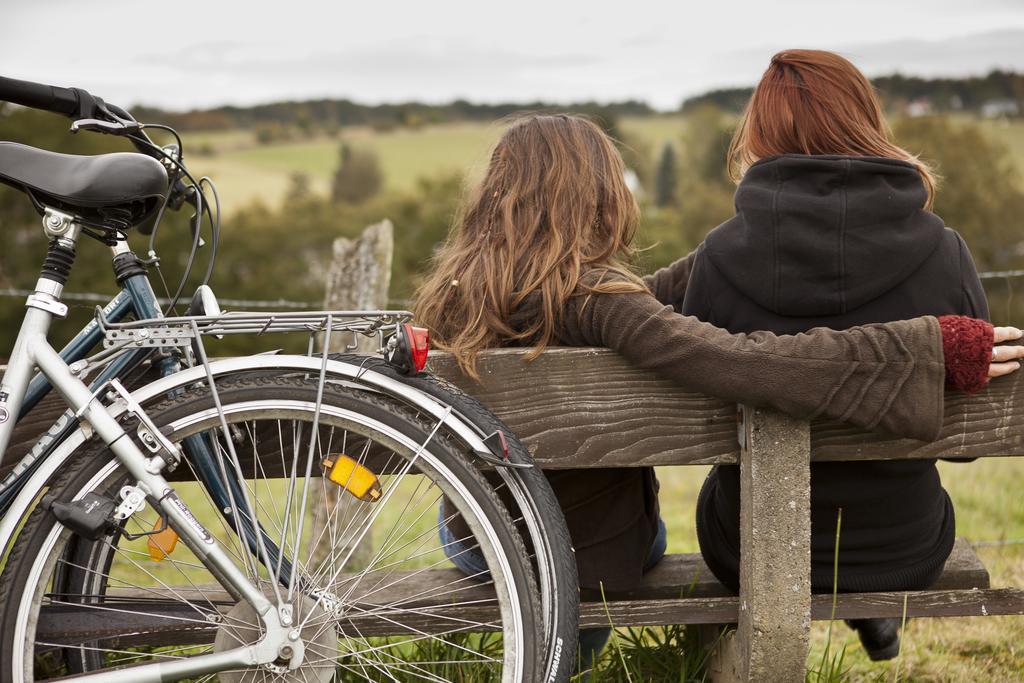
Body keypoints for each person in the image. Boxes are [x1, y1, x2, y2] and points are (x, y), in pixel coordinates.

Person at [412, 113, 1023, 671]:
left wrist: (725, 259)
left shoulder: (458, 291)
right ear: (597, 198)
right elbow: (745, 363)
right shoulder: (601, 301)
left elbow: (642, 304)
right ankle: (567, 660)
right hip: (597, 557)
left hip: (476, 539)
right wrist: (919, 349)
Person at [681, 49, 993, 660]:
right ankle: (873, 611)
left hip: (747, 547)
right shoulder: (943, 249)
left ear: (760, 133)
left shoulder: (718, 255)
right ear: (864, 123)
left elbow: (698, 411)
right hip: (905, 545)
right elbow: (970, 442)